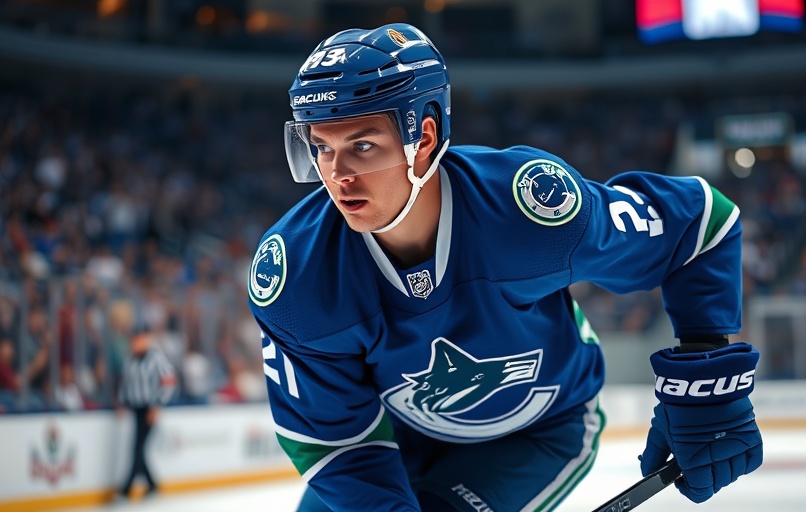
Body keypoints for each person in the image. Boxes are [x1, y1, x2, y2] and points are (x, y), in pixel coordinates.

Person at [248, 23, 763, 511]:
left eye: (361, 146)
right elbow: (334, 442)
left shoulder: (530, 212)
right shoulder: (294, 275)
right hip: (392, 435)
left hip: (538, 432)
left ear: (423, 138)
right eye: (320, 148)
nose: (337, 177)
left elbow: (703, 225)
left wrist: (707, 381)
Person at [115, 330, 177, 501]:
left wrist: (157, 405)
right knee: (138, 449)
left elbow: (169, 382)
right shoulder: (129, 360)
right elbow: (125, 383)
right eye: (135, 339)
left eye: (140, 339)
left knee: (138, 449)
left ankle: (126, 489)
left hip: (149, 409)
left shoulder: (156, 359)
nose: (137, 343)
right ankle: (151, 485)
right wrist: (122, 402)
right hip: (136, 408)